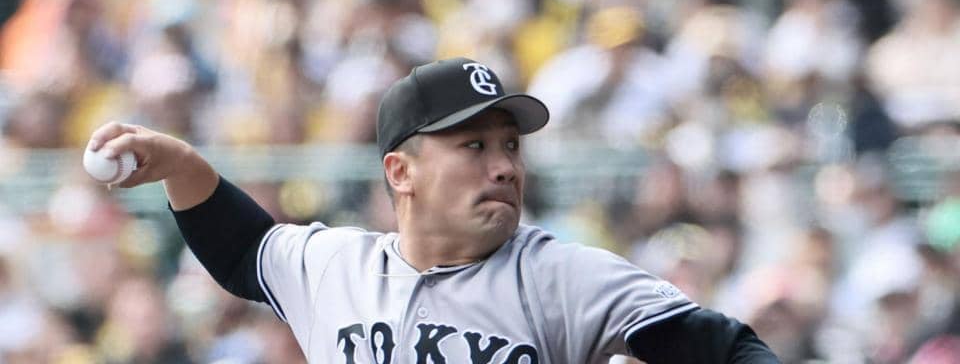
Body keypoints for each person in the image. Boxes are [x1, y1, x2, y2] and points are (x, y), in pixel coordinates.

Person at [87, 57, 780, 363]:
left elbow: (729, 350)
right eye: (473, 145)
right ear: (401, 171)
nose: (504, 165)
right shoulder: (336, 265)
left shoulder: (563, 277)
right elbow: (243, 250)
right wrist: (180, 164)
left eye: (510, 145)